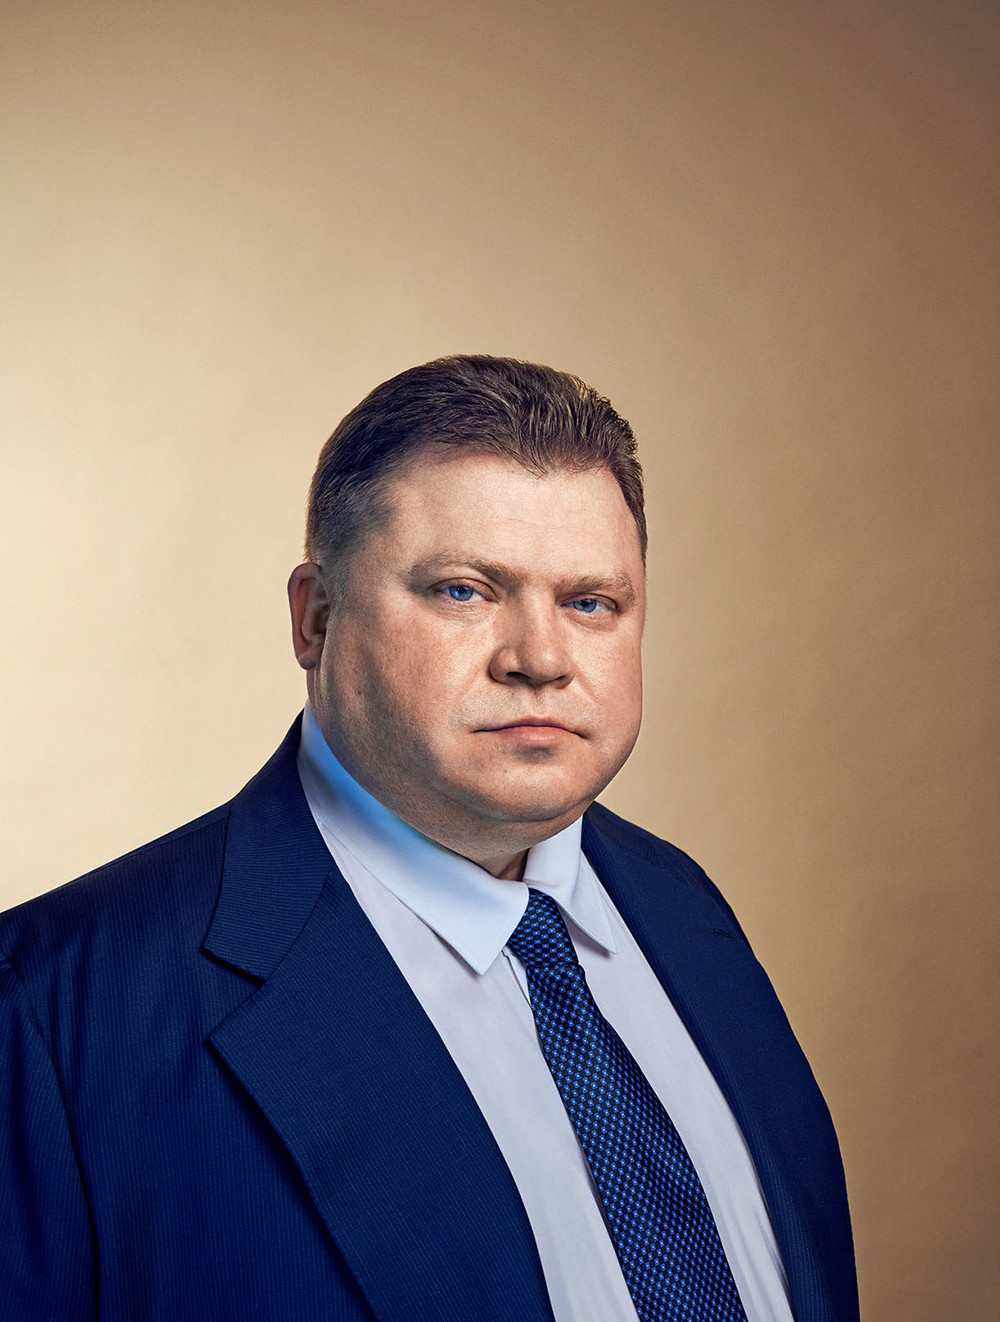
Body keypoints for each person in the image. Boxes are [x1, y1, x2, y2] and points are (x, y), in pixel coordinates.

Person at [0, 356, 858, 1321]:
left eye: (590, 603)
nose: (540, 659)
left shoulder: (682, 906)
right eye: (464, 591)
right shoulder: (49, 1010)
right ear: (315, 618)